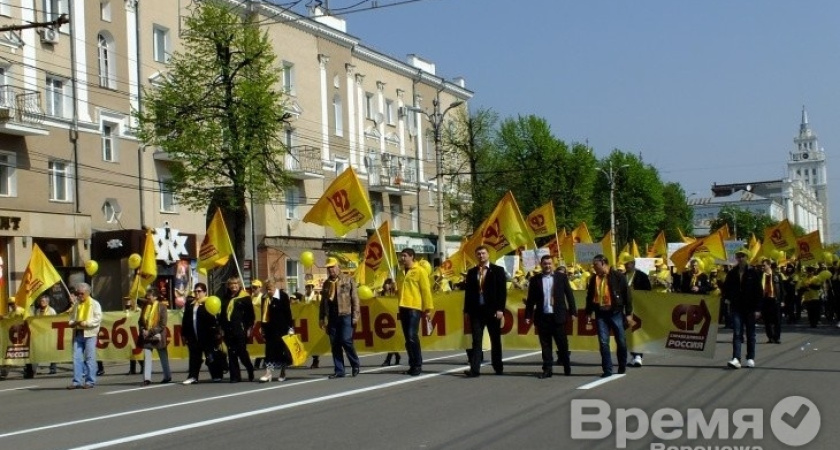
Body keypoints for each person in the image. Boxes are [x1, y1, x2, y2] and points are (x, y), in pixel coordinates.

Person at [525, 255, 575, 378]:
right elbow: (531, 299)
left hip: (557, 316)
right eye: (545, 264)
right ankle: (547, 369)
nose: (547, 266)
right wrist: (528, 315)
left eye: (549, 263)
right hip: (542, 317)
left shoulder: (561, 277)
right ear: (541, 265)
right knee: (545, 345)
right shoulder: (535, 279)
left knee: (562, 344)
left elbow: (569, 295)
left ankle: (566, 364)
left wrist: (573, 312)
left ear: (553, 264)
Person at [585, 254, 633, 378]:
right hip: (601, 314)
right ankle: (607, 369)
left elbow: (627, 296)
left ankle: (622, 365)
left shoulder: (618, 277)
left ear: (603, 263)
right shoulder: (593, 279)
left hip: (615, 313)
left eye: (596, 265)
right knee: (603, 342)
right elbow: (590, 297)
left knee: (621, 341)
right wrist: (588, 312)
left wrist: (628, 313)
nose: (594, 267)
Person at [463, 245, 507, 377]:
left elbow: (502, 292)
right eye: (478, 254)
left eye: (483, 253)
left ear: (488, 254)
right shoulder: (472, 272)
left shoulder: (498, 270)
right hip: (476, 312)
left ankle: (498, 366)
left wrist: (500, 309)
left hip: (492, 311)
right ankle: (474, 369)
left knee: (495, 340)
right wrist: (466, 311)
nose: (481, 256)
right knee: (476, 341)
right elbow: (468, 293)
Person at [319, 257, 361, 379]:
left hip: (346, 314)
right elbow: (323, 302)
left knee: (346, 340)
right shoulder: (326, 283)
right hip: (332, 316)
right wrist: (321, 318)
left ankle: (355, 364)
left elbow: (355, 299)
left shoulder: (348, 279)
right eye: (328, 268)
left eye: (332, 267)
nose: (330, 270)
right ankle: (339, 370)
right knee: (335, 343)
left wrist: (355, 316)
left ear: (338, 267)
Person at [722, 249, 762, 369]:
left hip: (750, 308)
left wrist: (758, 309)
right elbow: (726, 287)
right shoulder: (732, 272)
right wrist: (727, 298)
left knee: (750, 334)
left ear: (746, 257)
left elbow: (759, 291)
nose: (740, 258)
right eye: (738, 256)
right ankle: (736, 358)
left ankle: (750, 358)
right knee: (737, 332)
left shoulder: (753, 272)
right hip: (736, 307)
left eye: (742, 256)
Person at [396, 249, 434, 376]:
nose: (402, 258)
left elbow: (425, 290)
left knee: (412, 335)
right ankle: (412, 364)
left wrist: (427, 308)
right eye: (401, 256)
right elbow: (400, 289)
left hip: (414, 307)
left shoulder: (420, 271)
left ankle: (418, 364)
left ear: (412, 257)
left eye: (405, 256)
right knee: (407, 338)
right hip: (403, 307)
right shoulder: (400, 272)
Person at [180, 283, 224, 384]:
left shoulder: (208, 302)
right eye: (195, 291)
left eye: (199, 291)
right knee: (194, 356)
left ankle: (216, 375)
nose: (197, 293)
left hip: (207, 335)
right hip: (193, 335)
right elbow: (185, 320)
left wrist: (217, 331)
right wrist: (183, 334)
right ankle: (193, 376)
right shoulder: (190, 304)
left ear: (204, 292)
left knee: (210, 356)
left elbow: (214, 318)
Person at [220, 277, 256, 382]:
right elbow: (222, 314)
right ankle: (235, 376)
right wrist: (221, 327)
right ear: (228, 286)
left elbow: (250, 315)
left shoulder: (245, 297)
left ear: (239, 284)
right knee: (231, 353)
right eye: (231, 284)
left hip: (240, 329)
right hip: (228, 329)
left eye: (236, 283)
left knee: (241, 352)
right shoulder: (225, 297)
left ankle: (249, 368)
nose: (233, 286)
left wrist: (248, 327)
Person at [67, 283, 102, 389]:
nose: (79, 295)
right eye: (78, 293)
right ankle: (76, 381)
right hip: (78, 333)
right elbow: (71, 318)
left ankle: (90, 381)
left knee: (89, 358)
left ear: (88, 293)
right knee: (76, 358)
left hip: (90, 334)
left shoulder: (94, 304)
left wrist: (86, 323)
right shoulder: (76, 304)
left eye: (81, 293)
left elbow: (98, 318)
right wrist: (72, 323)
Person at [259, 280, 294, 382]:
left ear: (275, 287)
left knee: (282, 351)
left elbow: (288, 313)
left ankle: (283, 372)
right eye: (267, 289)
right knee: (269, 351)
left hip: (281, 328)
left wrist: (290, 327)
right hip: (269, 328)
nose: (268, 291)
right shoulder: (264, 298)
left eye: (270, 289)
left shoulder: (283, 296)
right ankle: (268, 373)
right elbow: (263, 313)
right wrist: (262, 327)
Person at [138, 288, 172, 385]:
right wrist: (143, 330)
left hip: (158, 336)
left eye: (149, 296)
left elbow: (162, 324)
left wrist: (150, 331)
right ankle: (147, 379)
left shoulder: (162, 307)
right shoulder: (145, 306)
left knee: (163, 357)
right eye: (147, 296)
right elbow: (140, 321)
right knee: (147, 357)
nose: (147, 298)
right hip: (147, 336)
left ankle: (167, 376)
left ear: (155, 297)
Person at [624, 257, 651, 368]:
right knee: (628, 332)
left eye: (628, 263)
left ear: (633, 263)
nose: (626, 265)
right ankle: (634, 355)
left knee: (637, 331)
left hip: (639, 308)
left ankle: (638, 355)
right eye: (625, 264)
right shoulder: (623, 276)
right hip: (626, 308)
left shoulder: (642, 276)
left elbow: (648, 291)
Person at [25, 294, 57, 377]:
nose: (41, 302)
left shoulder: (51, 311)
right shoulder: (37, 311)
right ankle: (33, 369)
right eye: (41, 301)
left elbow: (54, 320)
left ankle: (53, 368)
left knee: (51, 351)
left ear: (47, 302)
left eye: (43, 301)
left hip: (49, 333)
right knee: (37, 351)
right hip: (39, 334)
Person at [760, 259, 783, 344]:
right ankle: (770, 337)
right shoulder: (760, 275)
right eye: (762, 266)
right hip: (765, 299)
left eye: (764, 265)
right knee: (767, 320)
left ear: (769, 265)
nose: (762, 267)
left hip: (775, 299)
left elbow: (781, 288)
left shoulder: (777, 275)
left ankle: (777, 337)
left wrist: (782, 300)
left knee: (777, 319)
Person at [380, 278, 401, 366]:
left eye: (389, 283)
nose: (387, 285)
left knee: (392, 339)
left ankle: (388, 360)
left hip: (395, 318)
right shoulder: (381, 294)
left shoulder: (395, 293)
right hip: (386, 319)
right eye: (386, 283)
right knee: (390, 340)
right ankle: (397, 355)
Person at [303, 282, 321, 369]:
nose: (309, 288)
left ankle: (315, 359)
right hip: (306, 321)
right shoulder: (304, 297)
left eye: (310, 286)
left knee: (314, 340)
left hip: (314, 320)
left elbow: (319, 306)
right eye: (307, 286)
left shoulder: (317, 296)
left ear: (312, 287)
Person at [250, 280, 265, 370]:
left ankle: (259, 363)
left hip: (261, 323)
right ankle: (259, 362)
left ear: (260, 288)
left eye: (255, 287)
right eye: (252, 287)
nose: (253, 289)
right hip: (254, 324)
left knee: (262, 343)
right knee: (258, 343)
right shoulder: (252, 297)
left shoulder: (262, 298)